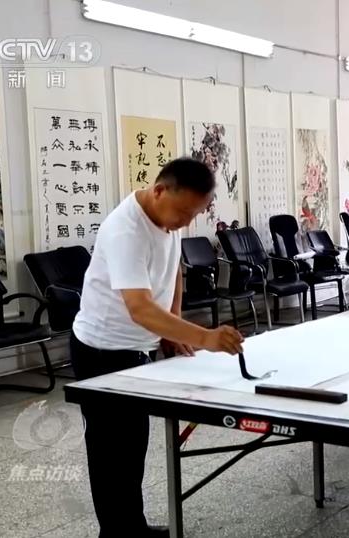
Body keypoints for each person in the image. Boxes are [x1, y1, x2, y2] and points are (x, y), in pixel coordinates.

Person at [71, 158, 245, 537]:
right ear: (160, 190)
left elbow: (173, 270)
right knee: (109, 452)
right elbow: (140, 308)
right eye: (183, 212)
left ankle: (131, 526)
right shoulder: (126, 230)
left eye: (194, 214)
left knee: (133, 444)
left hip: (137, 348)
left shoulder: (168, 218)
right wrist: (205, 337)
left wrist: (174, 325)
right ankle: (116, 533)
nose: (186, 221)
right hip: (102, 351)